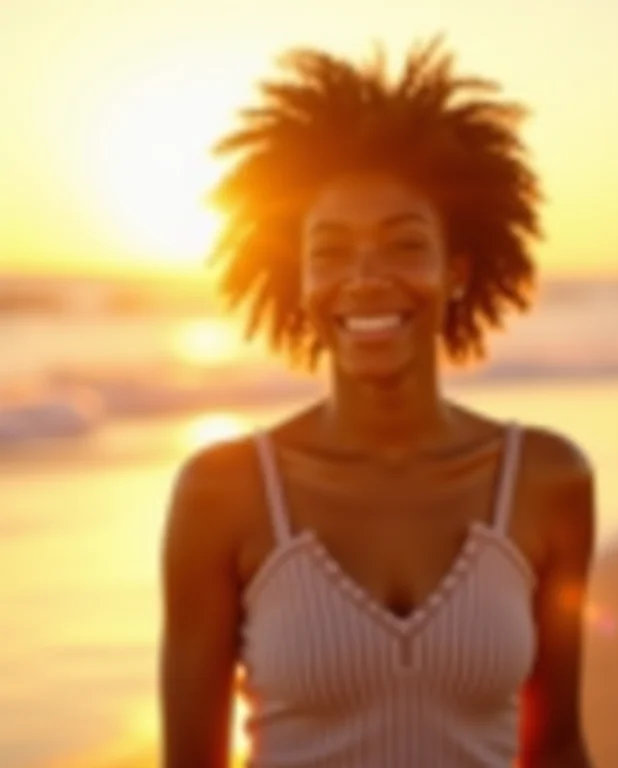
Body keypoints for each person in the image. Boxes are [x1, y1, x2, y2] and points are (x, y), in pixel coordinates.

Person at [161, 38, 595, 768]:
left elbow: (555, 745)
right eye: (328, 251)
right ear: (296, 278)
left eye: (403, 244)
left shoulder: (548, 479)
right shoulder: (224, 492)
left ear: (456, 272)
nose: (364, 278)